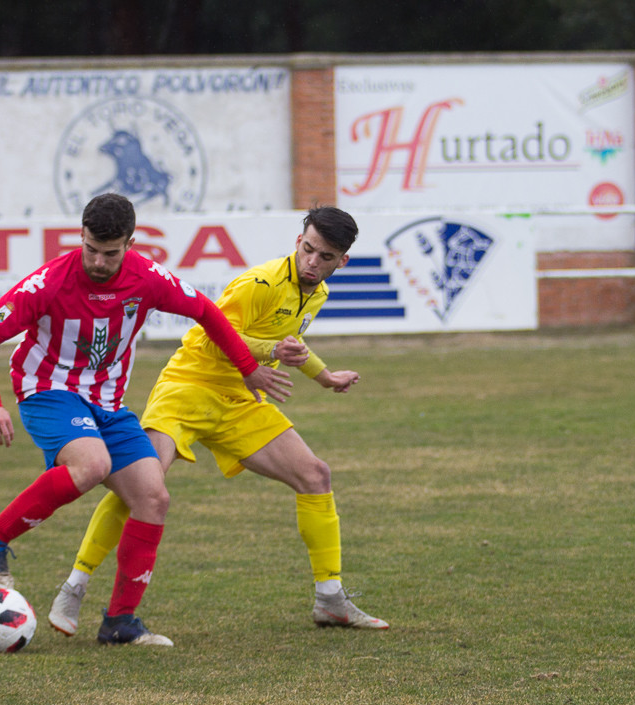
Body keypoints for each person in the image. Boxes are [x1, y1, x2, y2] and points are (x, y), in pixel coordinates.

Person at [45, 206, 389, 640]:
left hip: (240, 397)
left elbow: (290, 342)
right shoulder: (260, 283)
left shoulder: (316, 293)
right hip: (188, 386)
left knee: (315, 475)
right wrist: (269, 352)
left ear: (343, 261)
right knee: (143, 484)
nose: (311, 262)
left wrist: (324, 377)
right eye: (308, 249)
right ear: (298, 241)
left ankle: (330, 598)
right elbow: (215, 334)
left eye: (325, 257)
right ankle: (75, 586)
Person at [0, 192, 290, 646]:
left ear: (130, 244)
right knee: (91, 465)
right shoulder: (48, 283)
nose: (98, 261)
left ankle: (120, 622)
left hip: (108, 404)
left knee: (153, 497)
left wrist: (248, 367)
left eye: (110, 253)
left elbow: (205, 311)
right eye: (91, 249)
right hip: (49, 391)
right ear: (80, 236)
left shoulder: (147, 278)